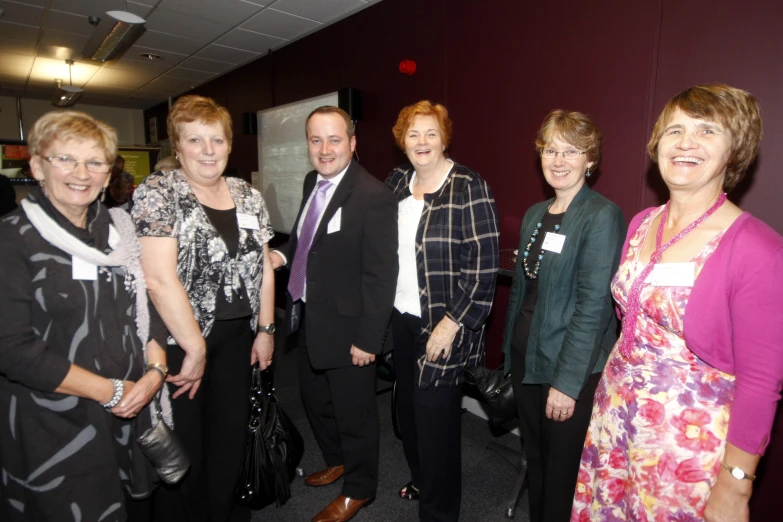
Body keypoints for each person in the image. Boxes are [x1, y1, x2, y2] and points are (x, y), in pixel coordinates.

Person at [572, 84, 783, 522]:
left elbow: (762, 381)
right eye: (674, 131)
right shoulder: (642, 222)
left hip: (685, 443)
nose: (686, 142)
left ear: (734, 150)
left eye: (706, 131)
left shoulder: (759, 249)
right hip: (616, 417)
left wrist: (736, 487)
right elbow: (629, 317)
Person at [0, 110, 167, 521]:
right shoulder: (12, 238)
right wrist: (109, 392)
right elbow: (12, 348)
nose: (81, 173)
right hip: (56, 424)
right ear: (37, 165)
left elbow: (145, 308)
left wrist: (155, 372)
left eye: (95, 162)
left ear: (109, 174)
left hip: (130, 410)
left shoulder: (119, 231)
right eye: (65, 159)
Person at [132, 95, 276, 522]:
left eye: (217, 139)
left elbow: (264, 267)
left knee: (230, 438)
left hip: (237, 340)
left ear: (229, 145)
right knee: (186, 445)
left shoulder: (247, 195)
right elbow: (159, 278)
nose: (208, 150)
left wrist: (266, 330)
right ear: (177, 147)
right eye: (195, 139)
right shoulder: (160, 192)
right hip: (179, 342)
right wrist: (196, 349)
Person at [269, 106, 398, 522]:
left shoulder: (374, 196)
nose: (324, 150)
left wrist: (368, 339)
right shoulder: (313, 181)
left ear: (353, 142)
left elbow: (381, 275)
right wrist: (279, 254)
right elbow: (306, 239)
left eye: (334, 139)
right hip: (311, 316)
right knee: (314, 397)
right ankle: (337, 459)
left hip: (351, 329)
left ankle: (359, 489)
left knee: (354, 413)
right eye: (315, 140)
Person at [500, 110, 625, 522]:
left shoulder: (600, 215)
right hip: (527, 357)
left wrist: (567, 385)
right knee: (534, 459)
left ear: (590, 159)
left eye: (571, 151)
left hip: (566, 367)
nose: (558, 160)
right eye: (550, 150)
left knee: (562, 473)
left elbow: (594, 306)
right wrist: (508, 358)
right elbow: (522, 290)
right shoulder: (537, 214)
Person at [385, 100, 499, 522]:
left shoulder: (469, 186)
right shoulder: (396, 183)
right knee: (409, 416)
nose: (422, 141)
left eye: (431, 133)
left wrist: (450, 325)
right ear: (403, 141)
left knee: (436, 425)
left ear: (444, 138)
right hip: (401, 318)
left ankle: (439, 512)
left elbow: (484, 268)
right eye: (413, 134)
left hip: (445, 324)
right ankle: (421, 479)